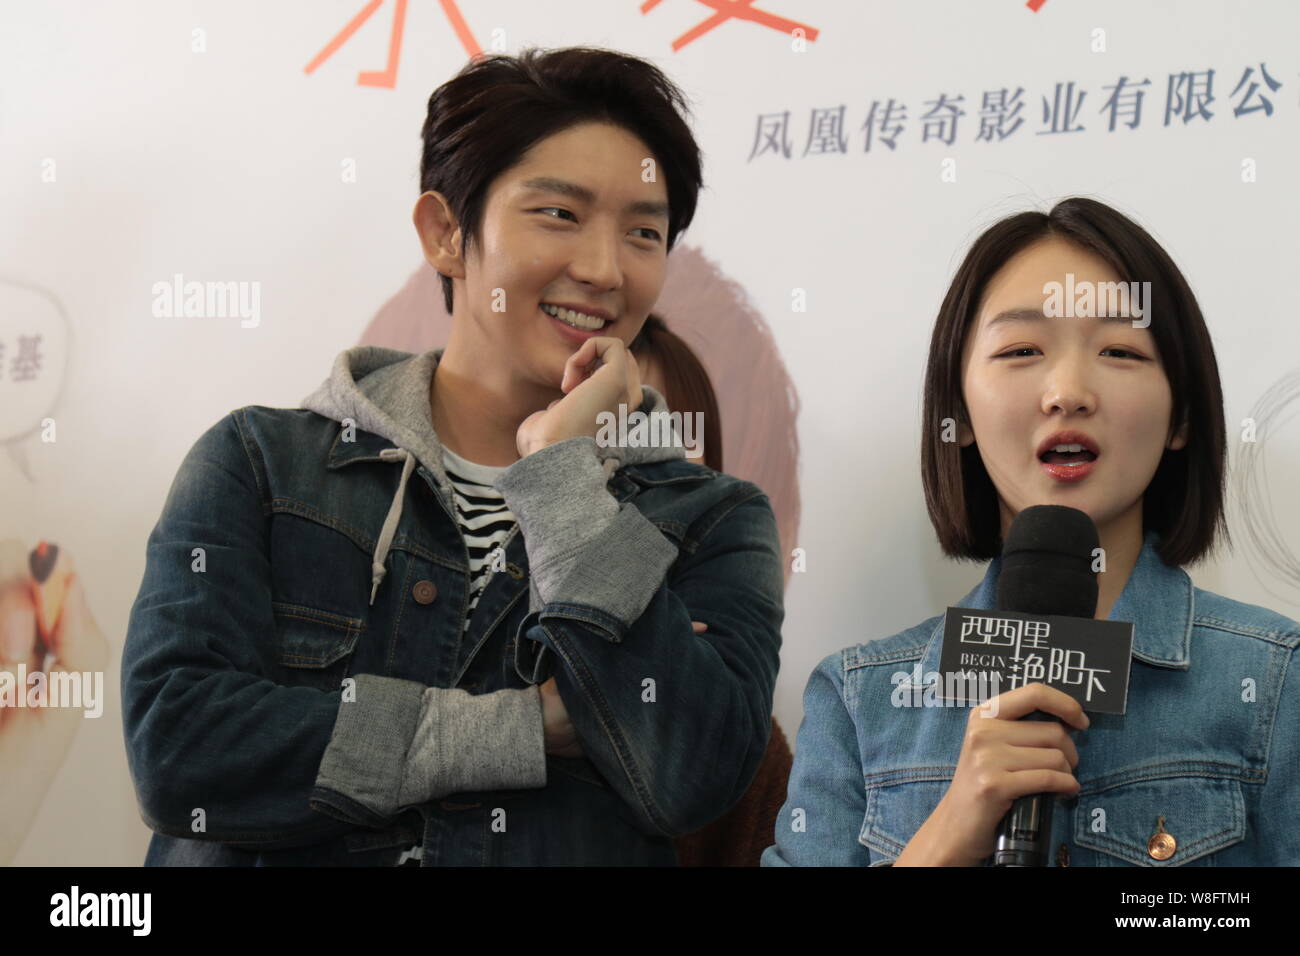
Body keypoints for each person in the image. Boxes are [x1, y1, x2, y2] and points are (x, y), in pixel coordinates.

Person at [121, 47, 785, 866]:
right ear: (445, 232)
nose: (604, 270)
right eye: (559, 215)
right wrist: (524, 730)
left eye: (643, 232)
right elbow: (181, 754)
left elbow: (691, 775)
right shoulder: (261, 463)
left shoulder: (710, 519)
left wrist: (562, 479)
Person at [763, 197, 1300, 867]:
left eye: (1119, 350)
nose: (1067, 391)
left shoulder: (1277, 681)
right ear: (956, 410)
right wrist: (947, 833)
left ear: (1182, 414)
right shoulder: (859, 699)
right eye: (1021, 350)